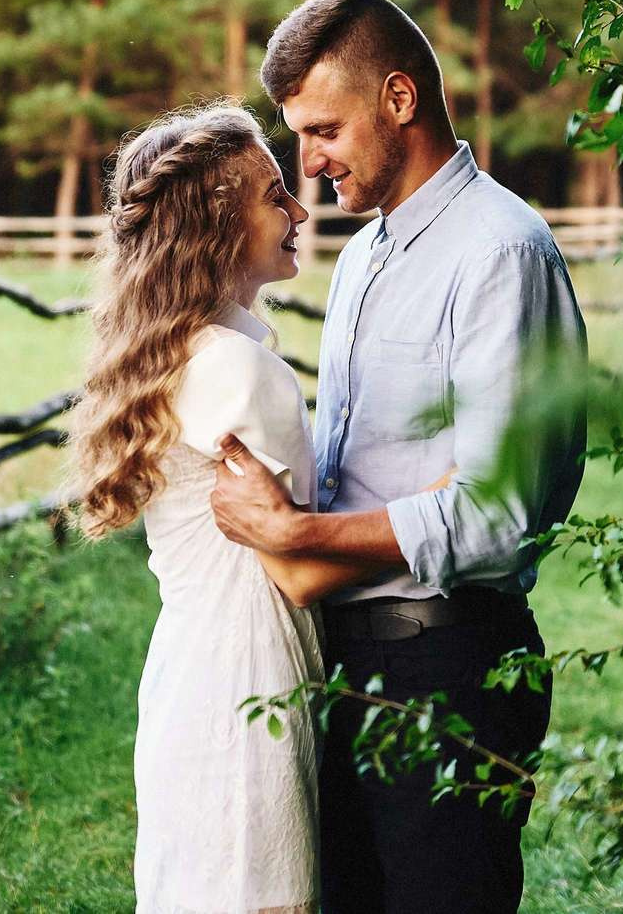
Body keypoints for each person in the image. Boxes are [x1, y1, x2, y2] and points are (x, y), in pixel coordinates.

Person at [211, 0, 588, 914]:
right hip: (348, 667)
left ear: (400, 98)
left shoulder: (500, 252)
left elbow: (497, 516)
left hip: (449, 666)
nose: (308, 164)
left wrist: (298, 536)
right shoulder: (364, 256)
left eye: (323, 131)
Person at [69, 104, 406, 914]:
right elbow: (299, 571)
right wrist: (451, 502)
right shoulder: (238, 370)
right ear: (215, 226)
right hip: (249, 683)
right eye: (273, 195)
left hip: (189, 677)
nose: (298, 212)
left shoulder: (178, 351)